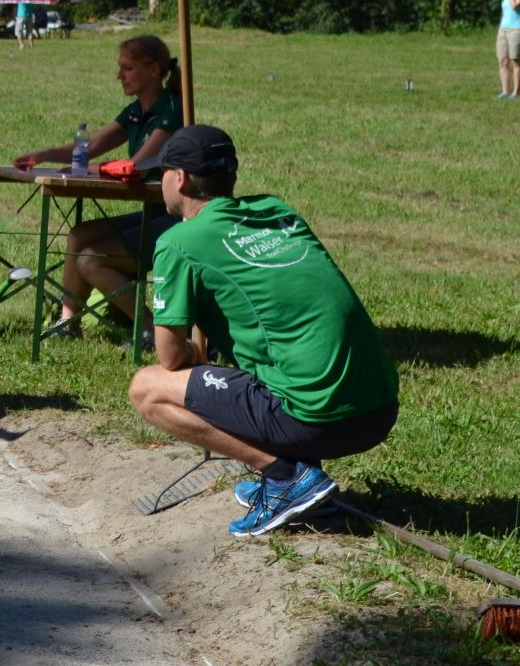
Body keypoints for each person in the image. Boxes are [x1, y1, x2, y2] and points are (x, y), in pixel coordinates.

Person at [127, 125, 399, 536]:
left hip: (321, 418)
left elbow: (169, 357)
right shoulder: (277, 209)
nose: (158, 180)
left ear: (179, 178)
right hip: (379, 407)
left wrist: (195, 360)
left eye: (160, 171)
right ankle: (292, 473)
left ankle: (285, 475)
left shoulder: (179, 242)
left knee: (147, 388)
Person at [13, 34, 183, 336]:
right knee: (79, 234)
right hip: (154, 210)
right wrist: (44, 156)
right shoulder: (135, 111)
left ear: (153, 69)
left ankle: (149, 331)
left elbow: (138, 166)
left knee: (91, 261)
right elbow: (87, 149)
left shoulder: (172, 109)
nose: (119, 75)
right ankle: (69, 322)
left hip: (178, 219)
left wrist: (83, 169)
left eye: (127, 68)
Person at [484, 0, 519, 99]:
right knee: (503, 60)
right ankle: (505, 91)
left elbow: (515, 6)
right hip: (503, 30)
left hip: (517, 30)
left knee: (515, 61)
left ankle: (516, 92)